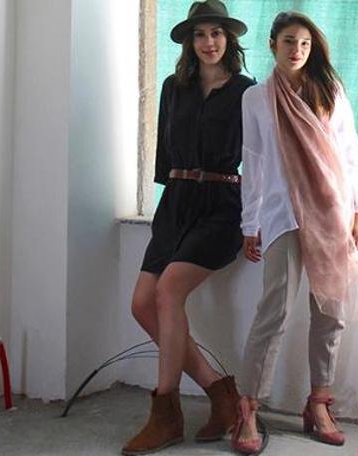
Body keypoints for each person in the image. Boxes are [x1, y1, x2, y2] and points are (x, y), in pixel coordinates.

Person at [231, 11, 358, 454]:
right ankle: (248, 407)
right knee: (274, 310)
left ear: (311, 48)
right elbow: (253, 161)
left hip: (330, 213)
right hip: (281, 215)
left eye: (304, 43)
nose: (296, 50)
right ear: (272, 45)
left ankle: (318, 403)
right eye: (288, 42)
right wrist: (249, 223)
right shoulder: (256, 98)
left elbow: (350, 154)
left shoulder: (329, 91)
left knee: (330, 312)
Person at [121, 1, 255, 454]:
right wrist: (170, 199)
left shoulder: (247, 91)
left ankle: (166, 414)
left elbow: (260, 160)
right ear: (189, 41)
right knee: (142, 304)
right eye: (200, 34)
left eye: (217, 33)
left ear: (228, 39)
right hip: (177, 202)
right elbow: (164, 153)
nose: (209, 42)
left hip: (221, 205)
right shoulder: (172, 87)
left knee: (168, 291)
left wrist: (256, 220)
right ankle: (219, 391)